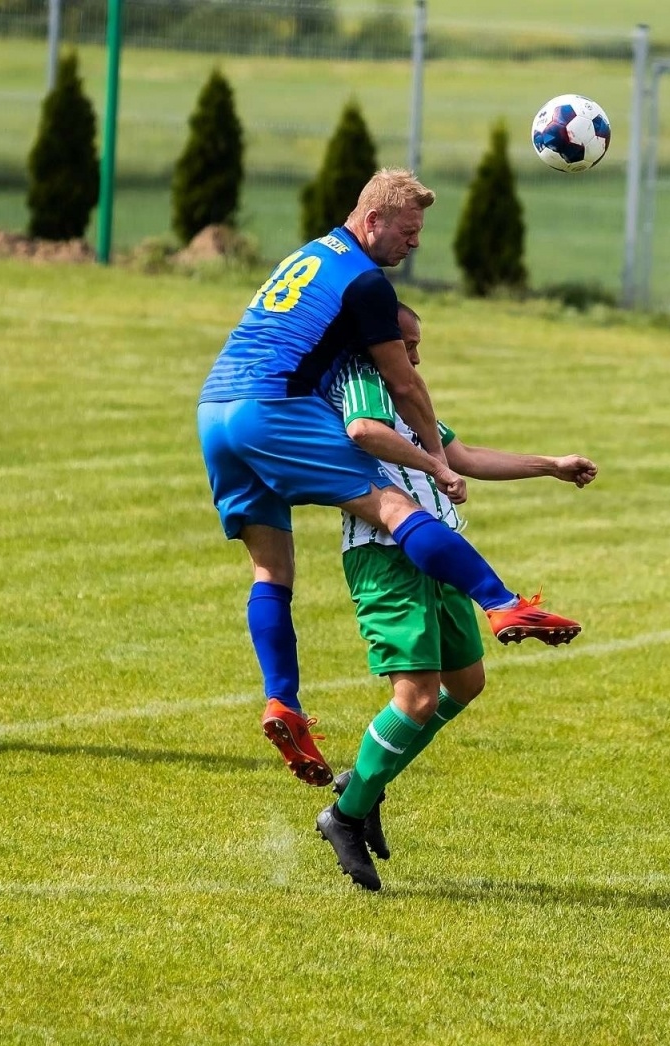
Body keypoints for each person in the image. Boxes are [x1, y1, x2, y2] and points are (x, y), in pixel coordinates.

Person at [198, 169, 582, 789]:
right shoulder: (366, 283)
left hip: (215, 408)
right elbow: (403, 385)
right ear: (372, 221)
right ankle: (502, 603)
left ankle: (283, 703)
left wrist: (542, 464)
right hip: (273, 405)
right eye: (408, 230)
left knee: (271, 571)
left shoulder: (308, 256)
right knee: (395, 504)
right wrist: (434, 458)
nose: (415, 243)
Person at [314, 304, 597, 891]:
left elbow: (462, 457)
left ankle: (365, 783)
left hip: (440, 550)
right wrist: (431, 468)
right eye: (407, 344)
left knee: (465, 683)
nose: (414, 357)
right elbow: (363, 432)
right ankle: (344, 814)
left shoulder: (403, 392)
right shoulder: (361, 379)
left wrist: (551, 465)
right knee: (415, 698)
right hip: (387, 553)